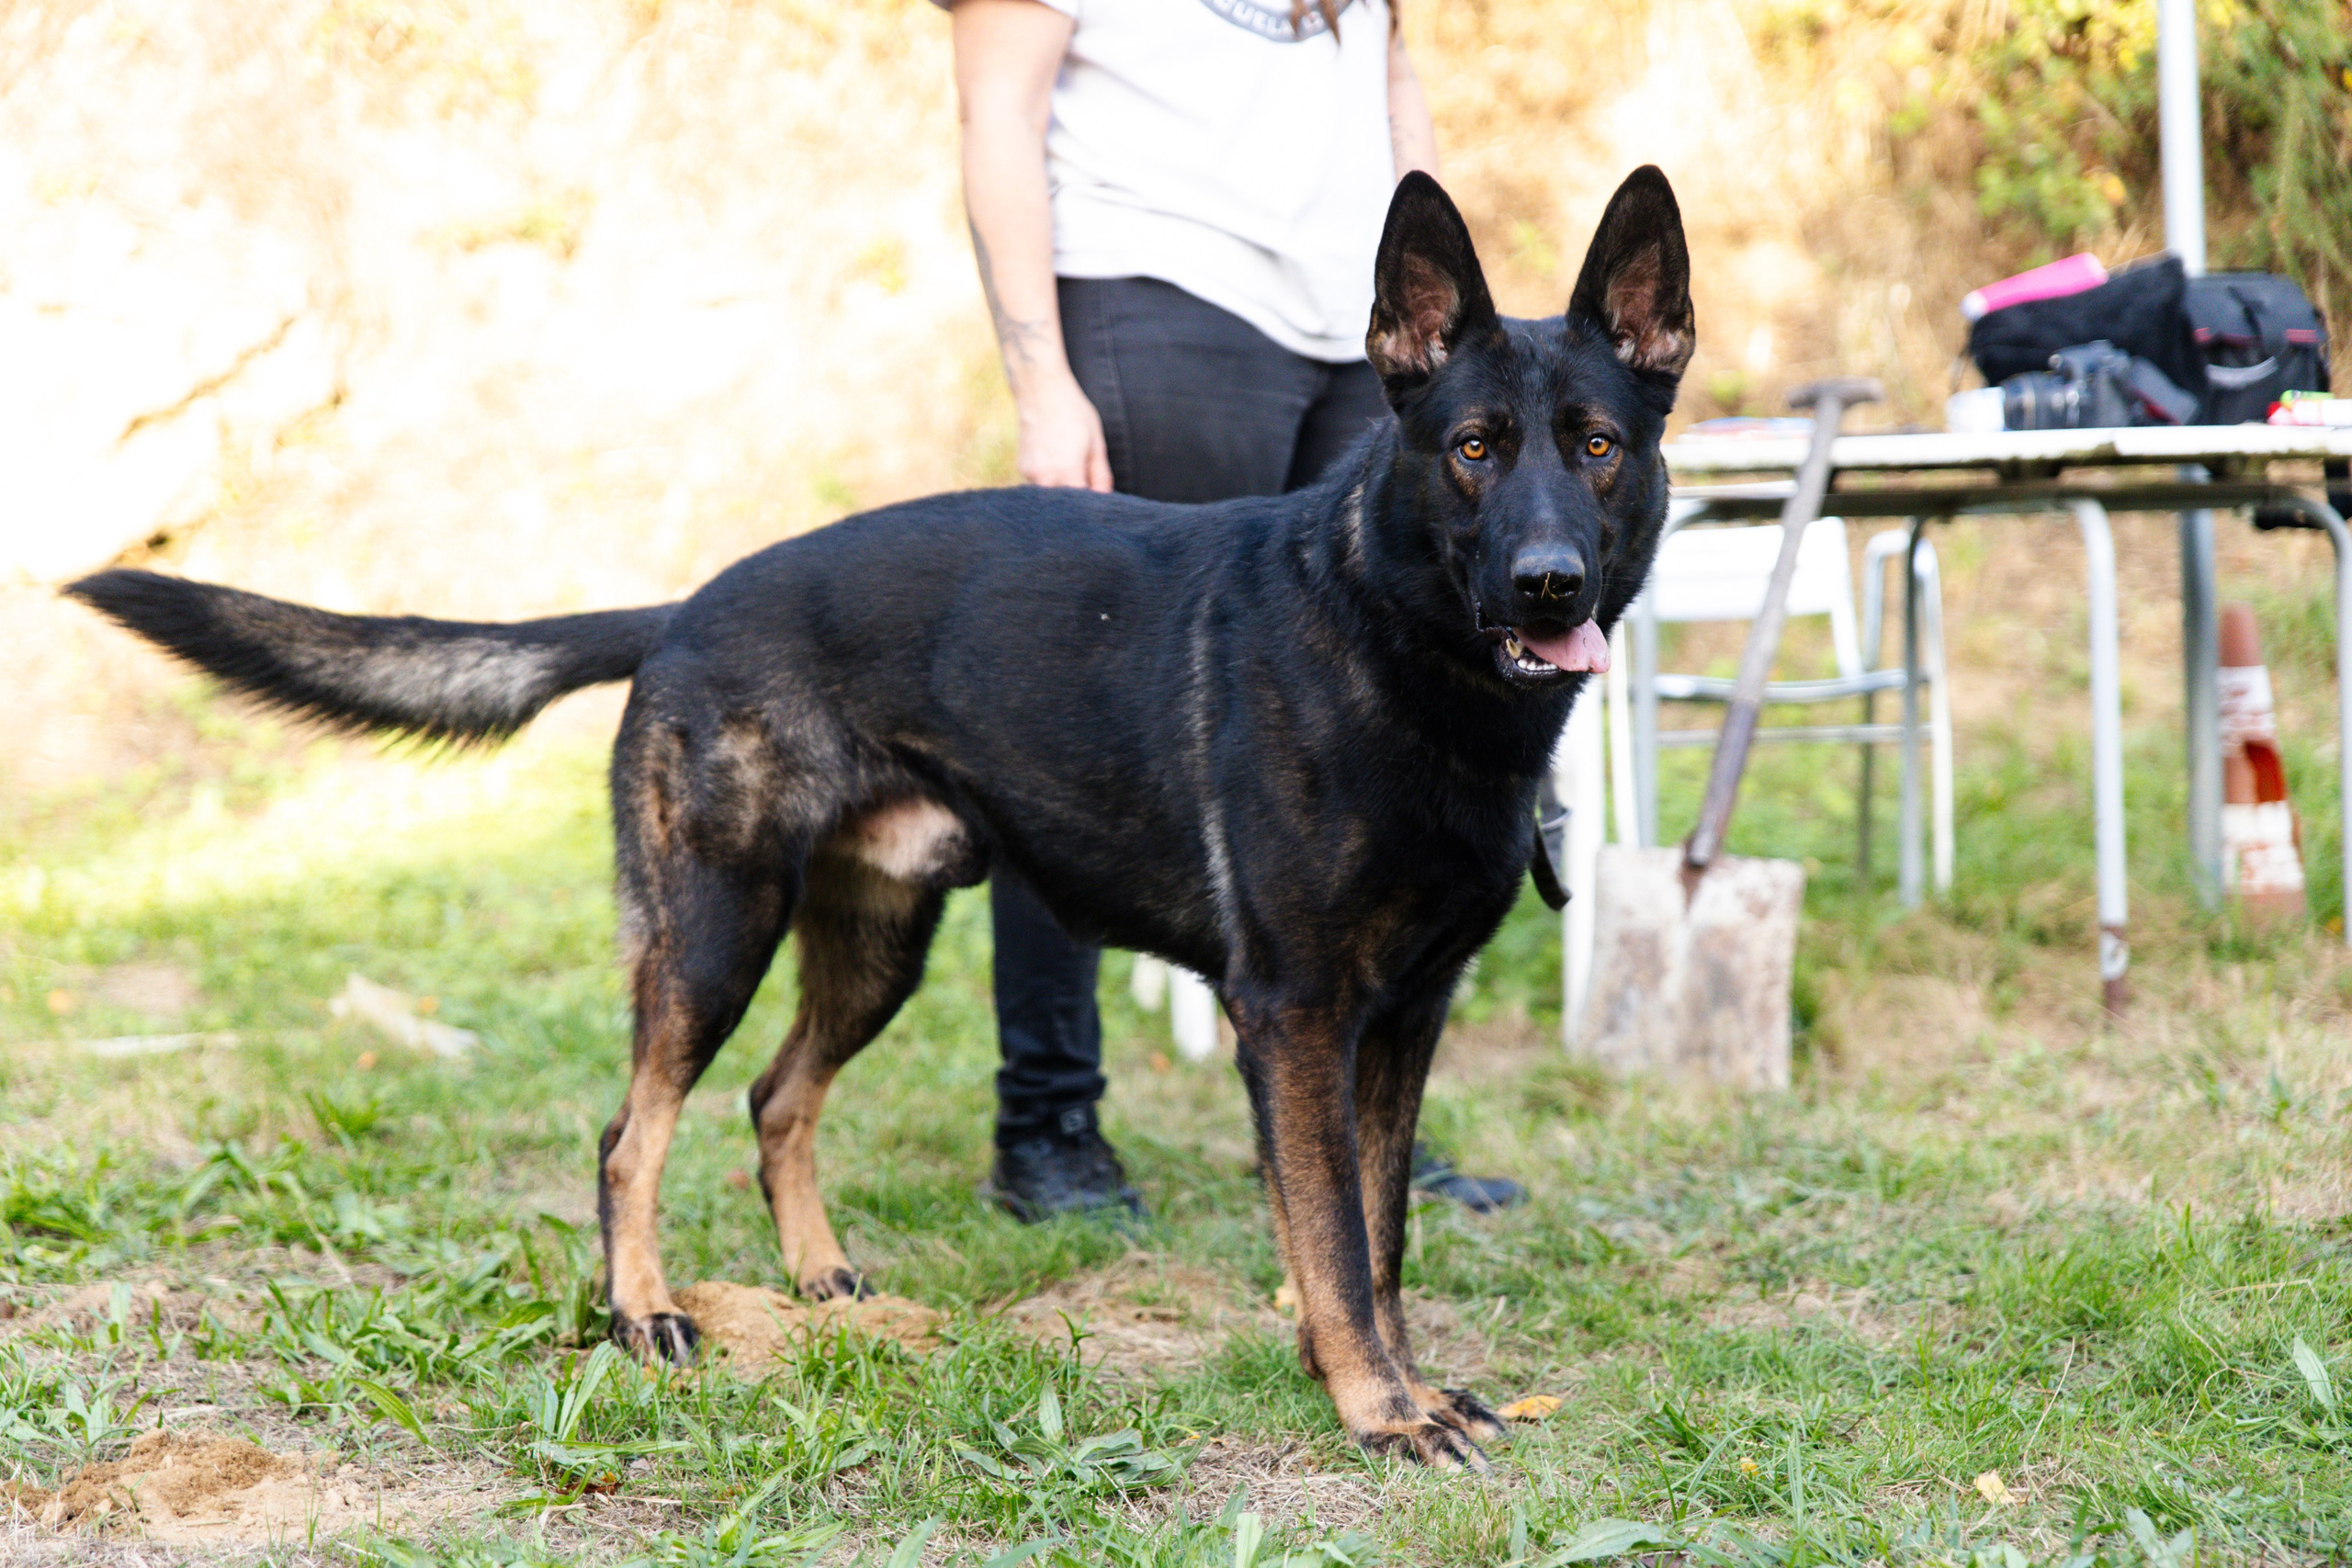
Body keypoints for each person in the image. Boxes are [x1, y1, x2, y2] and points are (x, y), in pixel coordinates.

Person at [948, 0, 1524, 1221]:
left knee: (1375, 740)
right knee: (1084, 734)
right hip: (1163, 292)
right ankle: (1049, 1120)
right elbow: (998, 104)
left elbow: (1391, 79)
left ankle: (1354, 1126)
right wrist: (1040, 378)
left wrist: (1455, 323)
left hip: (1359, 328)